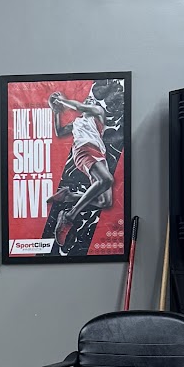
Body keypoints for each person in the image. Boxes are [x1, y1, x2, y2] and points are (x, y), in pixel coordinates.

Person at [42, 84, 116, 256]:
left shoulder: (98, 112)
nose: (89, 100)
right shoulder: (77, 122)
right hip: (83, 150)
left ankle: (69, 196)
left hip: (99, 154)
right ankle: (69, 215)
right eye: (87, 99)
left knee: (105, 202)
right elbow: (60, 132)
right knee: (106, 180)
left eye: (91, 100)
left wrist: (61, 101)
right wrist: (56, 111)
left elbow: (79, 107)